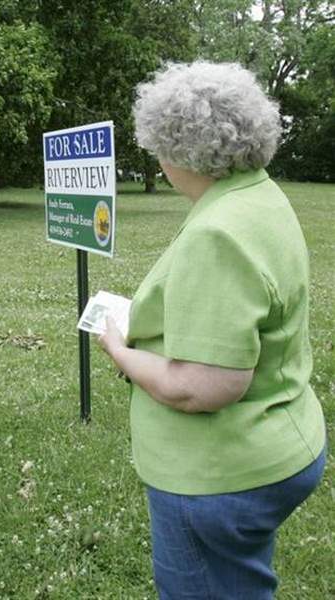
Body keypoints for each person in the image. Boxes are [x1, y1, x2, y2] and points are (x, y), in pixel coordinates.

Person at [98, 60, 326, 599]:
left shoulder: (218, 232)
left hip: (220, 472)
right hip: (281, 437)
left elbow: (204, 385)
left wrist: (119, 348)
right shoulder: (260, 197)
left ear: (179, 150)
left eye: (157, 143)